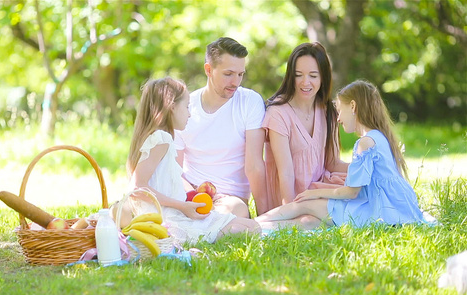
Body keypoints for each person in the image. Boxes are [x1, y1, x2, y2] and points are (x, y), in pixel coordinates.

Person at [255, 80, 425, 230]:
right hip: (394, 209)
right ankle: (257, 226)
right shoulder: (380, 137)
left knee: (302, 204)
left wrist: (315, 193)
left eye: (339, 110)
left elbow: (352, 192)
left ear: (352, 106)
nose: (338, 119)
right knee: (307, 215)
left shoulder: (365, 143)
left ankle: (251, 224)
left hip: (373, 211)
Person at [126, 77, 260, 244]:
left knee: (251, 225)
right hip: (169, 222)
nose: (189, 113)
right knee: (252, 229)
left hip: (172, 214)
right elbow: (137, 187)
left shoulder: (160, 138)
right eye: (187, 106)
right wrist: (182, 207)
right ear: (172, 107)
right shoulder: (160, 139)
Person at [174, 37, 267, 218]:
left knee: (233, 211)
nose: (235, 82)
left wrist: (263, 216)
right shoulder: (186, 106)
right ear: (208, 70)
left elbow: (255, 166)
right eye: (228, 74)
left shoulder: (250, 102)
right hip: (189, 191)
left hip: (229, 199)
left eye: (240, 74)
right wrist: (191, 197)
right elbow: (174, 170)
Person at [259, 42, 348, 216]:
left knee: (363, 192)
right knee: (319, 218)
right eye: (298, 75)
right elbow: (285, 172)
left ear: (323, 78)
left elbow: (333, 163)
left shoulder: (327, 111)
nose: (305, 82)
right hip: (290, 197)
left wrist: (369, 168)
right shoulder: (278, 113)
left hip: (318, 191)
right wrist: (291, 209)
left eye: (313, 76)